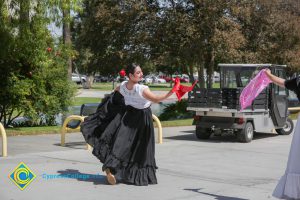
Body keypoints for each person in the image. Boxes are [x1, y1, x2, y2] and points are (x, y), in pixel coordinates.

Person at [81, 63, 175, 186]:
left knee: (122, 145)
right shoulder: (141, 89)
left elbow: (113, 94)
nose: (141, 74)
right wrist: (172, 92)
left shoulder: (123, 86)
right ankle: (129, 174)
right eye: (138, 72)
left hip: (128, 117)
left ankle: (112, 169)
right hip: (142, 119)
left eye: (141, 72)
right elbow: (156, 99)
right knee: (141, 148)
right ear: (130, 75)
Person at [265, 69, 300, 199]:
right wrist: (269, 76)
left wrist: (268, 75)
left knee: (297, 159)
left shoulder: (298, 80)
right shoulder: (298, 80)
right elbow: (283, 82)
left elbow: (283, 82)